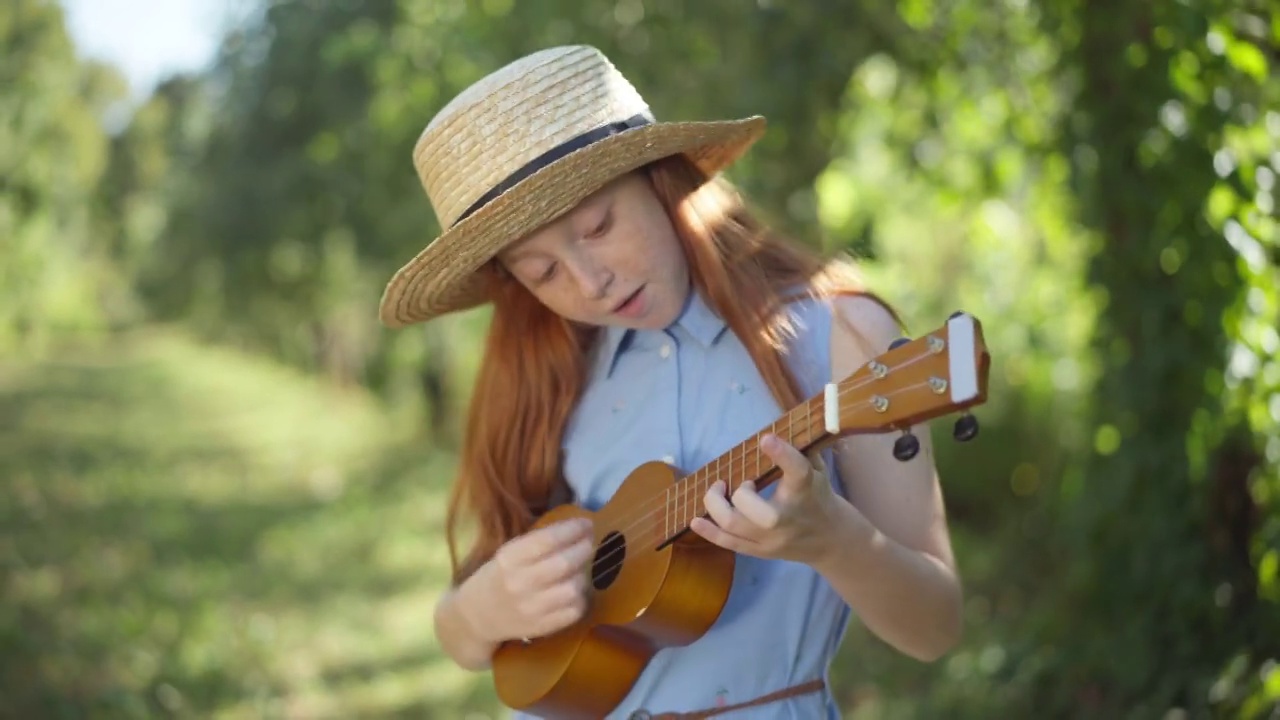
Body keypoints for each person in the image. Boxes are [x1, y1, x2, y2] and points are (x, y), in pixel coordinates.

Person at [379, 45, 963, 719]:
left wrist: (836, 541)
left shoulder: (844, 336)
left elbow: (935, 628)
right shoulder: (555, 372)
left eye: (597, 226)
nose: (588, 282)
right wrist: (480, 611)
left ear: (662, 180)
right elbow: (461, 634)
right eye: (541, 273)